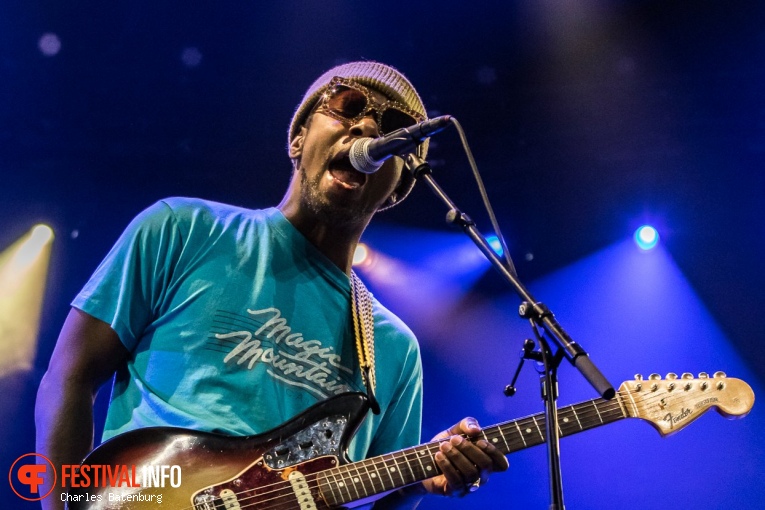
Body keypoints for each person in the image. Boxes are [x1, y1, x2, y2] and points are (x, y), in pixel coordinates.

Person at [35, 61, 508, 510]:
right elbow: (70, 377)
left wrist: (422, 479)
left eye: (393, 129)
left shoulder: (394, 348)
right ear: (299, 139)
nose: (367, 129)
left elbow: (383, 501)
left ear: (399, 186)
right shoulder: (182, 228)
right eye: (346, 104)